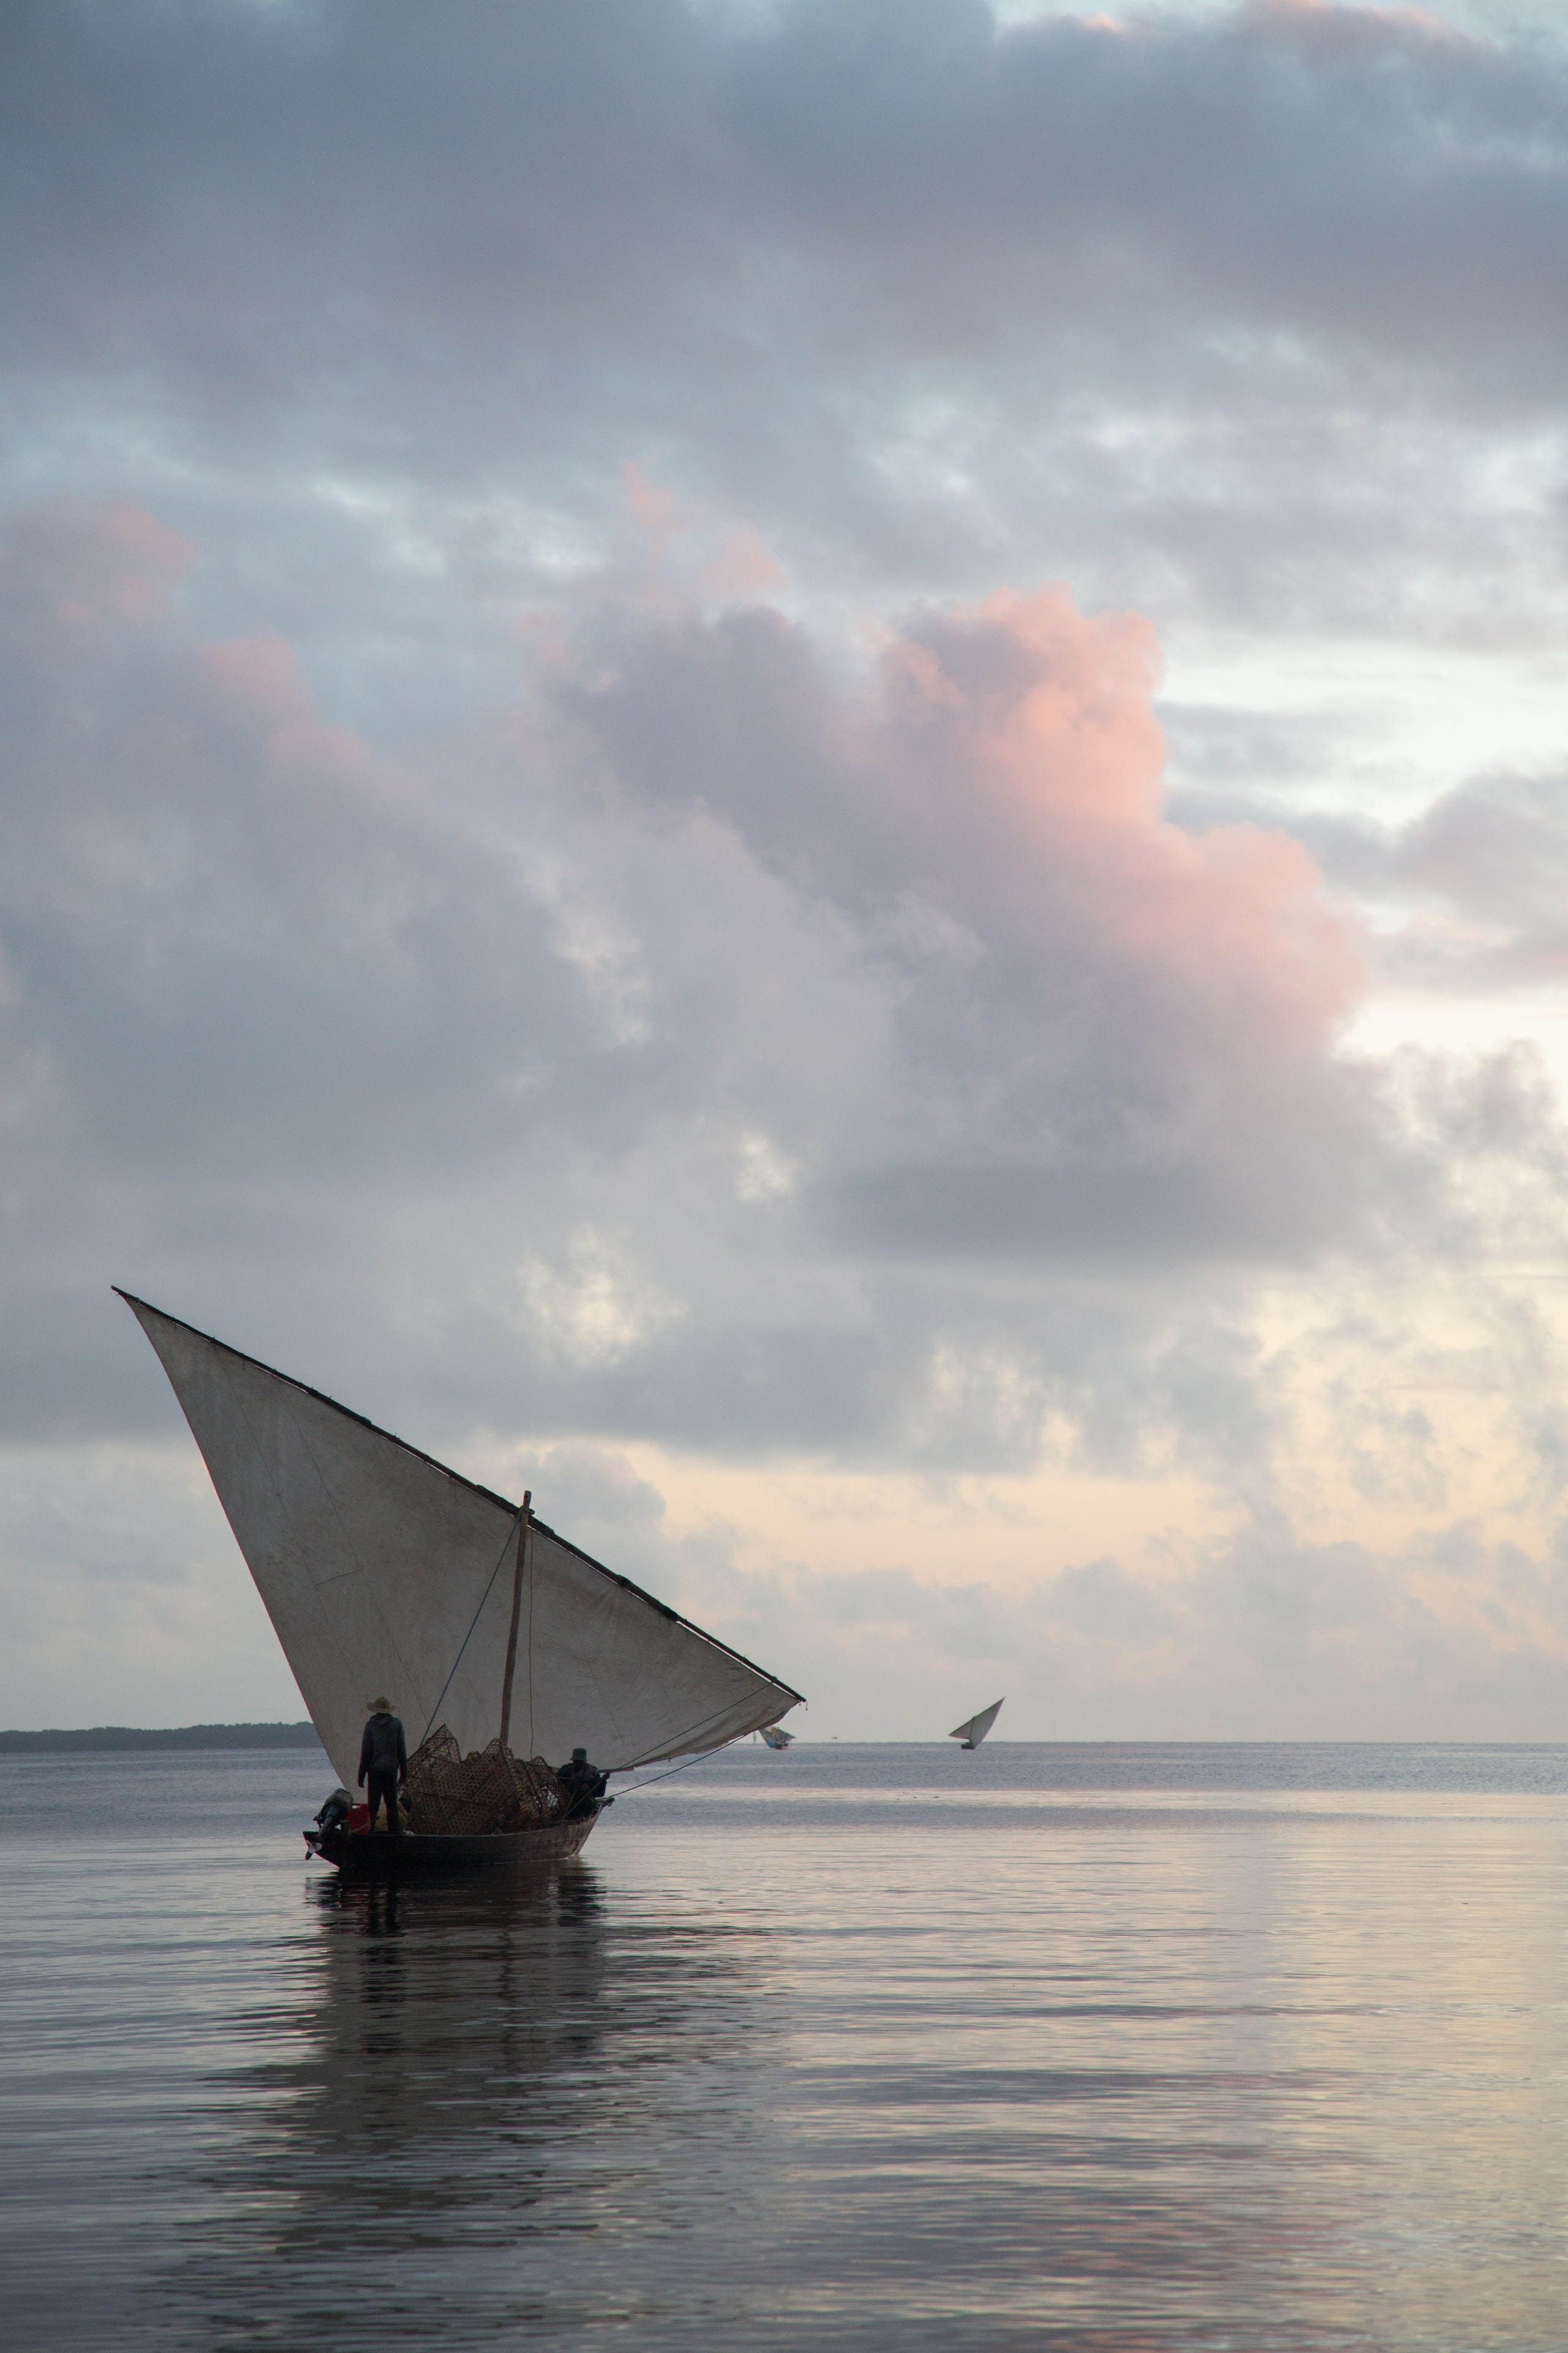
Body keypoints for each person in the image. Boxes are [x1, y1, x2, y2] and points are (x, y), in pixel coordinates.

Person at [358, 1697, 408, 1834]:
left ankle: (372, 1832)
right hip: (391, 1771)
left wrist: (361, 1775)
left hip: (374, 1771)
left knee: (373, 1805)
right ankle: (394, 1834)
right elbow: (401, 1751)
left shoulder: (370, 1726)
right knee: (391, 1804)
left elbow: (366, 1752)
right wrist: (404, 1773)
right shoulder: (397, 1724)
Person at [556, 1746, 608, 1820]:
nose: (577, 1764)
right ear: (573, 1761)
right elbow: (558, 1783)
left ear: (584, 1762)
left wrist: (603, 1781)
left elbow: (600, 1793)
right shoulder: (565, 1770)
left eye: (580, 1762)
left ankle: (582, 1818)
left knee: (584, 1801)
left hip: (586, 1804)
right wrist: (571, 1785)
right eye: (576, 1761)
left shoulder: (593, 1773)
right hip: (567, 1801)